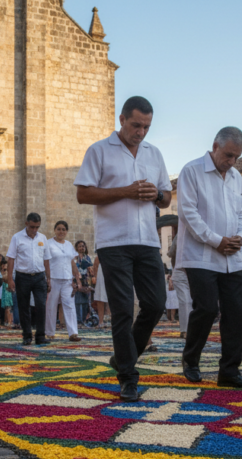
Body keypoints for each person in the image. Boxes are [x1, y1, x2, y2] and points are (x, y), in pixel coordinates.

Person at [75, 96, 173, 401]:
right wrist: (126, 192)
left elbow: (167, 196)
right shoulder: (99, 150)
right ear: (122, 119)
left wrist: (155, 193)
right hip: (114, 242)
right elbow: (83, 194)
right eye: (136, 125)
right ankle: (128, 377)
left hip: (147, 242)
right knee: (121, 311)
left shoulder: (154, 154)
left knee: (156, 304)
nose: (141, 131)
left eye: (146, 126)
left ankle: (123, 356)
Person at [174, 127, 242, 387]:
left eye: (236, 158)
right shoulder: (191, 170)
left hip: (233, 256)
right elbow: (188, 213)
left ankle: (229, 371)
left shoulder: (236, 177)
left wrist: (241, 238)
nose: (231, 162)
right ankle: (191, 359)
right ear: (215, 146)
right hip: (201, 255)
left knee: (235, 313)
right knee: (207, 308)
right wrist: (216, 240)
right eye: (229, 155)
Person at [6, 213, 49, 345]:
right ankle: (27, 335)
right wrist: (10, 279)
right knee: (24, 306)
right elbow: (11, 258)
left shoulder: (43, 238)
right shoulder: (17, 237)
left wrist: (49, 278)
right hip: (22, 276)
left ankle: (41, 335)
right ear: (26, 224)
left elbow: (46, 259)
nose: (34, 230)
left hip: (40, 276)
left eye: (37, 227)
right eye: (32, 227)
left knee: (41, 305)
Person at [44, 220, 83, 342]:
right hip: (53, 278)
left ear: (66, 231)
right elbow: (45, 262)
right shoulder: (48, 244)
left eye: (63, 229)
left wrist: (77, 279)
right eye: (59, 229)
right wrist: (47, 278)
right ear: (55, 230)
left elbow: (72, 262)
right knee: (51, 305)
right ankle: (50, 332)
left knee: (69, 305)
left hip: (67, 279)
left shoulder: (69, 245)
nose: (61, 231)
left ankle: (73, 333)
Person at [74, 240, 94, 326]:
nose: (82, 248)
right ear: (76, 248)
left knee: (86, 300)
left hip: (86, 280)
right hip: (77, 280)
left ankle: (84, 319)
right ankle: (78, 320)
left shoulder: (87, 257)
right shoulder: (75, 257)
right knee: (78, 300)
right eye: (80, 246)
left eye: (83, 246)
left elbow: (90, 269)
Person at [91, 255, 109, 327]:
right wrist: (95, 277)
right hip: (101, 278)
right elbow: (95, 266)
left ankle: (109, 320)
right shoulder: (98, 256)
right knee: (100, 298)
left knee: (112, 299)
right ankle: (100, 322)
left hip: (112, 277)